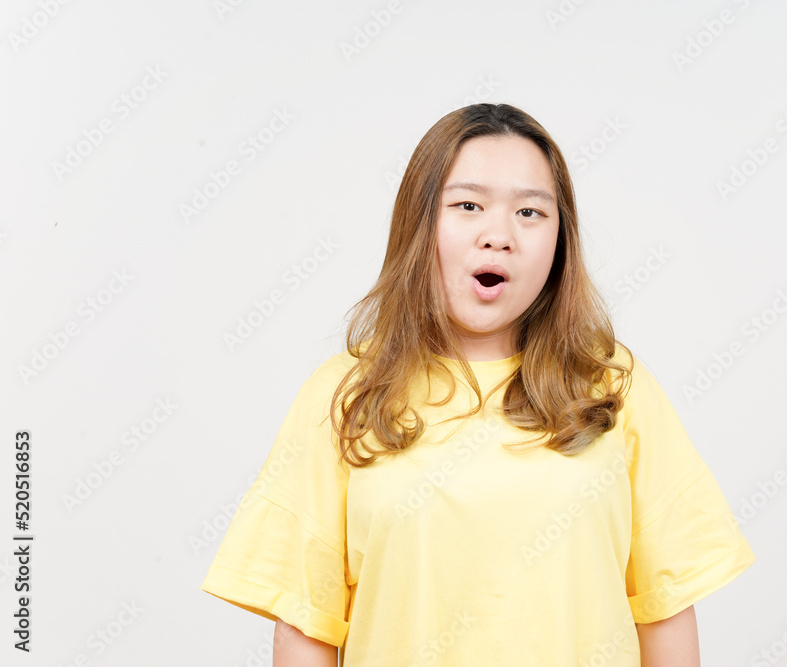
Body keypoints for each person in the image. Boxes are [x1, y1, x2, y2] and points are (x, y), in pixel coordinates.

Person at [200, 103, 755, 666]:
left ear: (560, 240)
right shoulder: (345, 395)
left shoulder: (614, 387)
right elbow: (305, 625)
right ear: (420, 224)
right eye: (468, 205)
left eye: (531, 213)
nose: (499, 235)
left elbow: (663, 608)